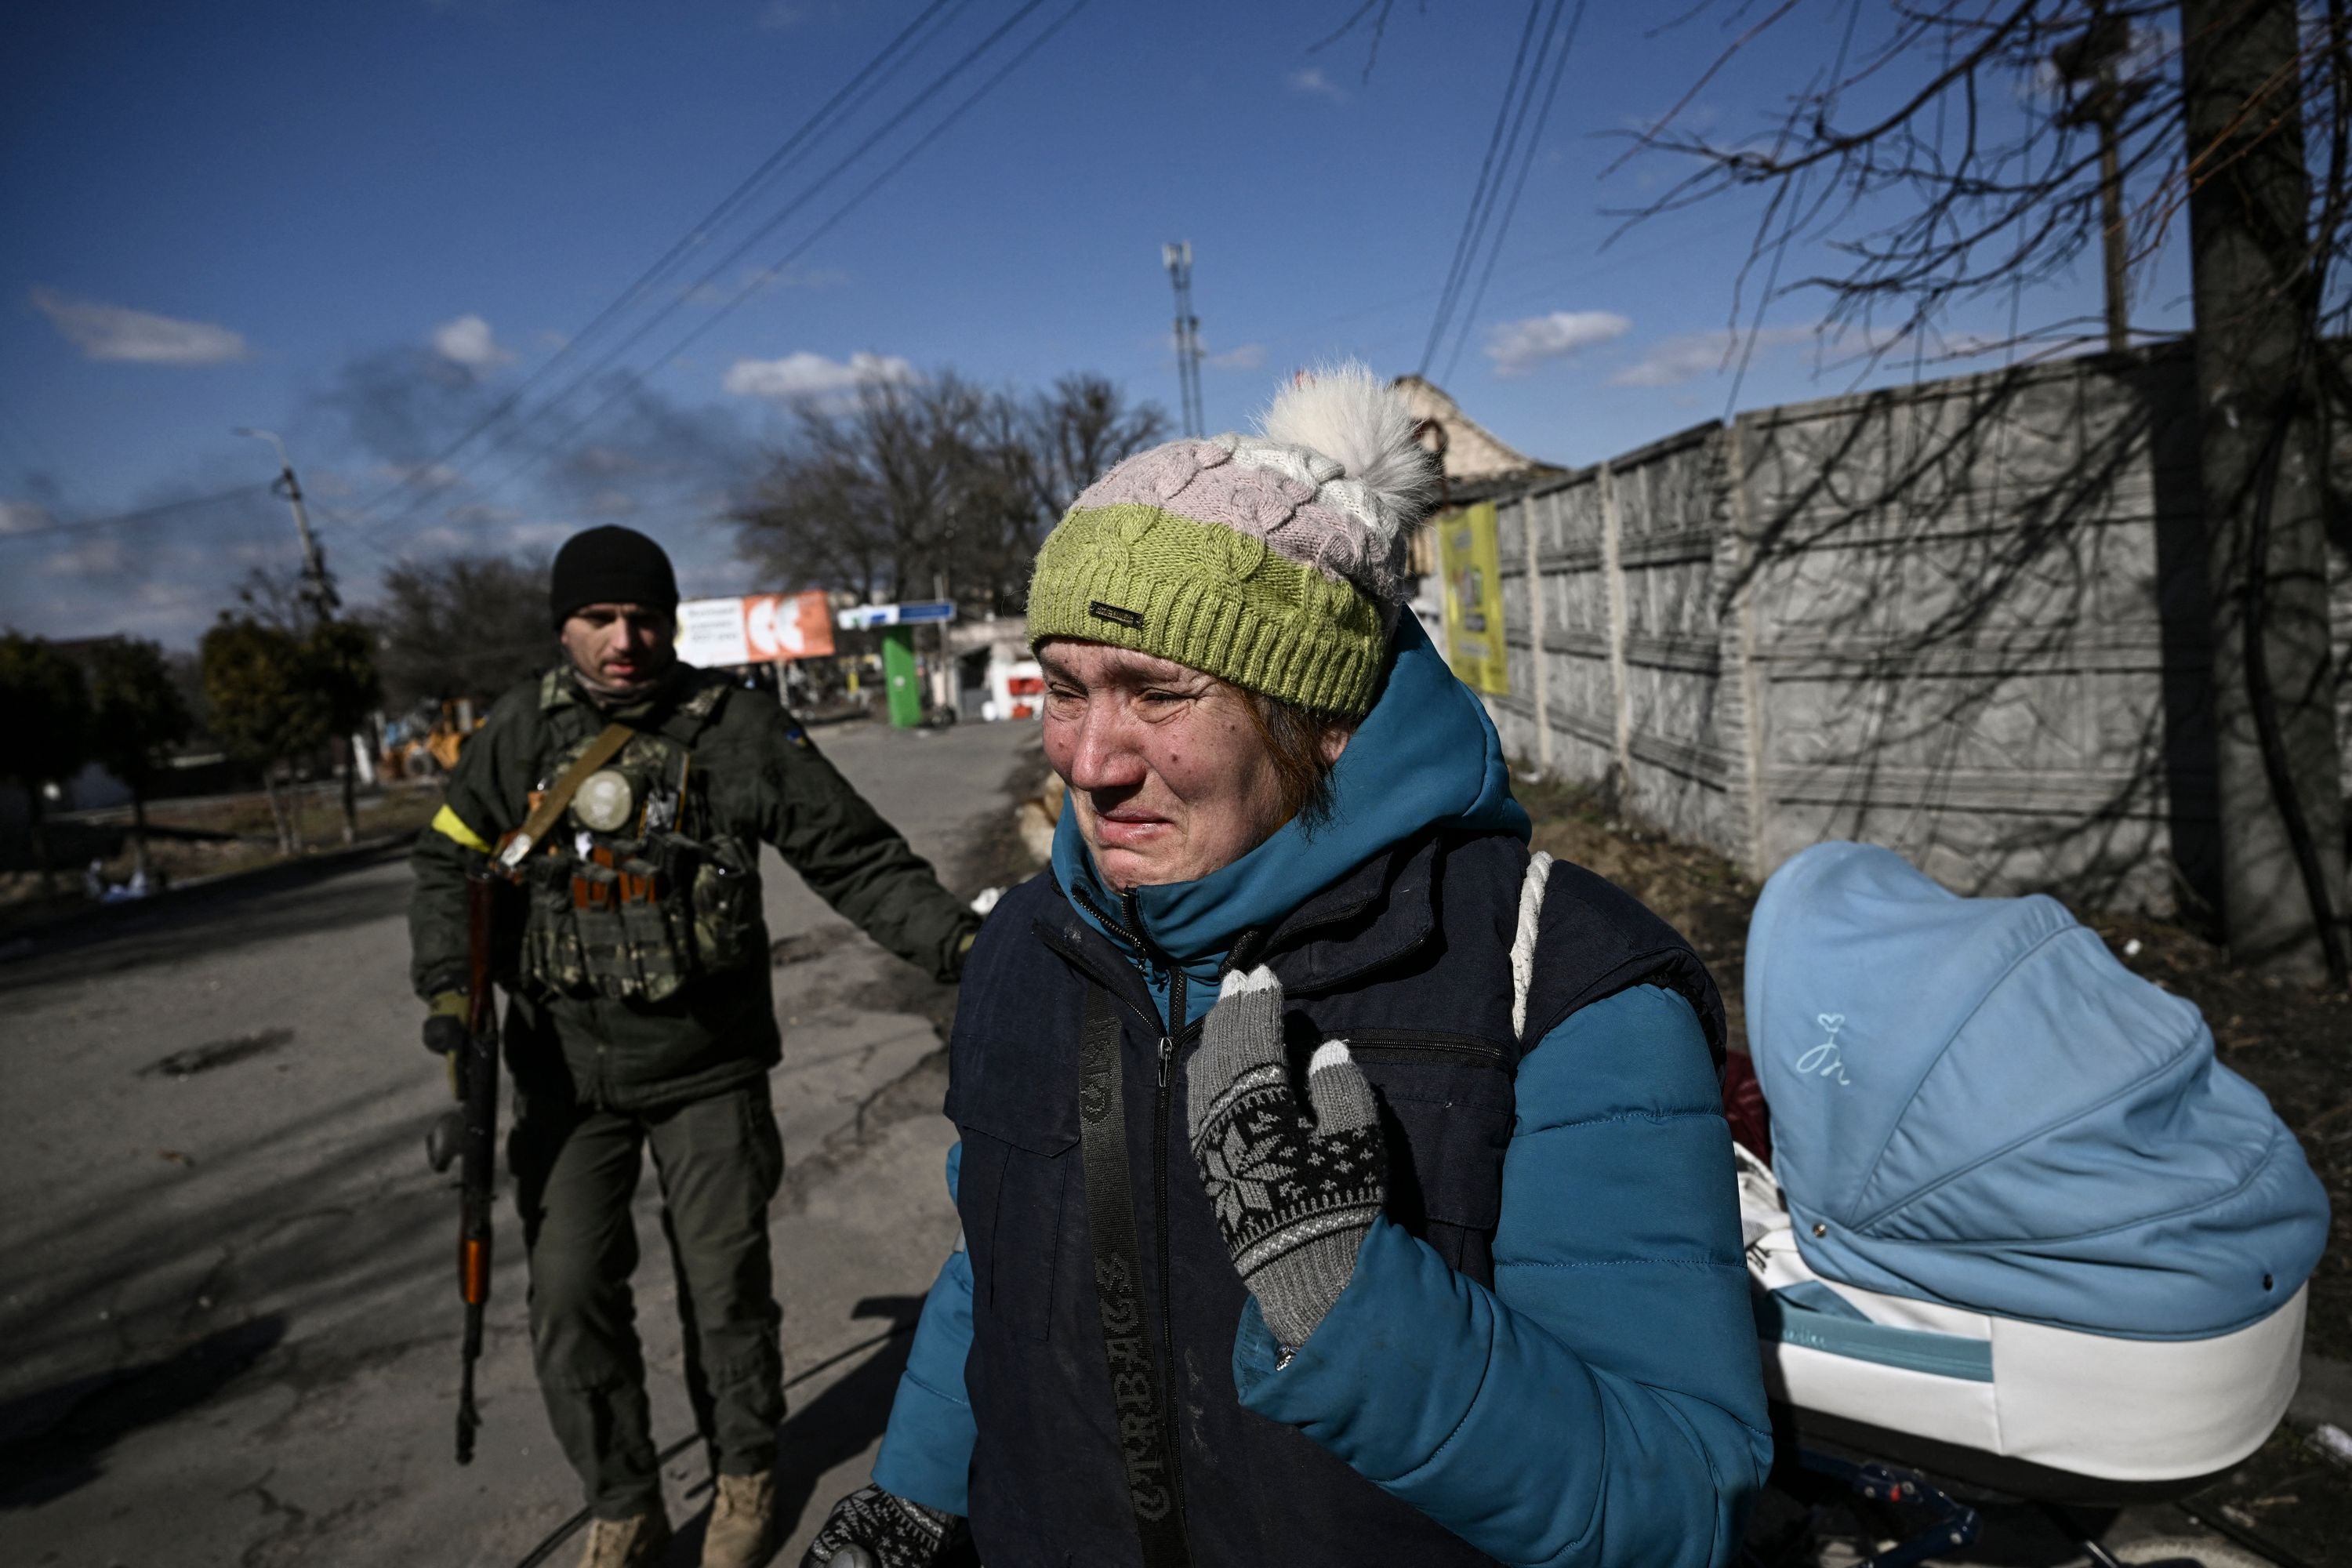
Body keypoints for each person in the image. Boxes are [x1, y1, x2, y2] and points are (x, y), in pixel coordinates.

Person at [800, 366, 1772, 1568]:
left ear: (1326, 717)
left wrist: (1350, 1309)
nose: (1090, 759)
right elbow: (993, 1269)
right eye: (1063, 691)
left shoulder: (1559, 984)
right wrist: (915, 1494)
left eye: (1157, 692)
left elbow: (1683, 1499)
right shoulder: (1028, 943)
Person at [408, 524, 982, 1568]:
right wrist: (451, 991)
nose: (624, 638)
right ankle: (623, 1499)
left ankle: (746, 1472)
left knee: (726, 1294)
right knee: (572, 1298)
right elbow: (446, 863)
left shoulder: (734, 728)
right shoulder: (515, 737)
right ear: (563, 626)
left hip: (707, 1072)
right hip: (565, 1081)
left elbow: (854, 860)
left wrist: (964, 948)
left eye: (644, 616)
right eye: (599, 618)